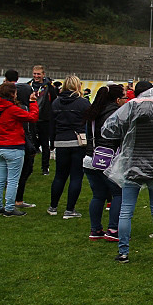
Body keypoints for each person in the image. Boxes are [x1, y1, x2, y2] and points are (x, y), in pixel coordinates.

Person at [101, 81, 153, 263]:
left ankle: (123, 252)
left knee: (126, 210)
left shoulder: (128, 109)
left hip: (132, 164)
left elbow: (108, 129)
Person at [0, 82, 39, 216]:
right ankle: (10, 208)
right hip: (14, 147)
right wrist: (33, 103)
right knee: (12, 180)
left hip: (0, 146)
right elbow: (32, 117)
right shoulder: (13, 109)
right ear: (12, 94)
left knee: (0, 179)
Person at [84, 85, 125, 240]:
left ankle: (95, 229)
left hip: (90, 157)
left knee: (98, 195)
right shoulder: (117, 113)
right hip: (109, 158)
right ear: (117, 99)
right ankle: (113, 229)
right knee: (118, 193)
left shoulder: (93, 112)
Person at [47, 75, 90, 218]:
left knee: (59, 175)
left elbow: (52, 125)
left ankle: (53, 206)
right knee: (76, 176)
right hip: (78, 141)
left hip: (61, 141)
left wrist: (52, 143)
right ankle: (69, 209)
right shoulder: (83, 103)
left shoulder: (56, 103)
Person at [29, 65, 58, 175]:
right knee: (32, 144)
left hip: (45, 119)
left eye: (38, 74)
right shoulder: (29, 85)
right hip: (32, 118)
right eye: (35, 73)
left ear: (43, 74)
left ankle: (45, 167)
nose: (36, 76)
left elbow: (54, 101)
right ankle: (29, 167)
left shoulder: (49, 87)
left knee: (45, 145)